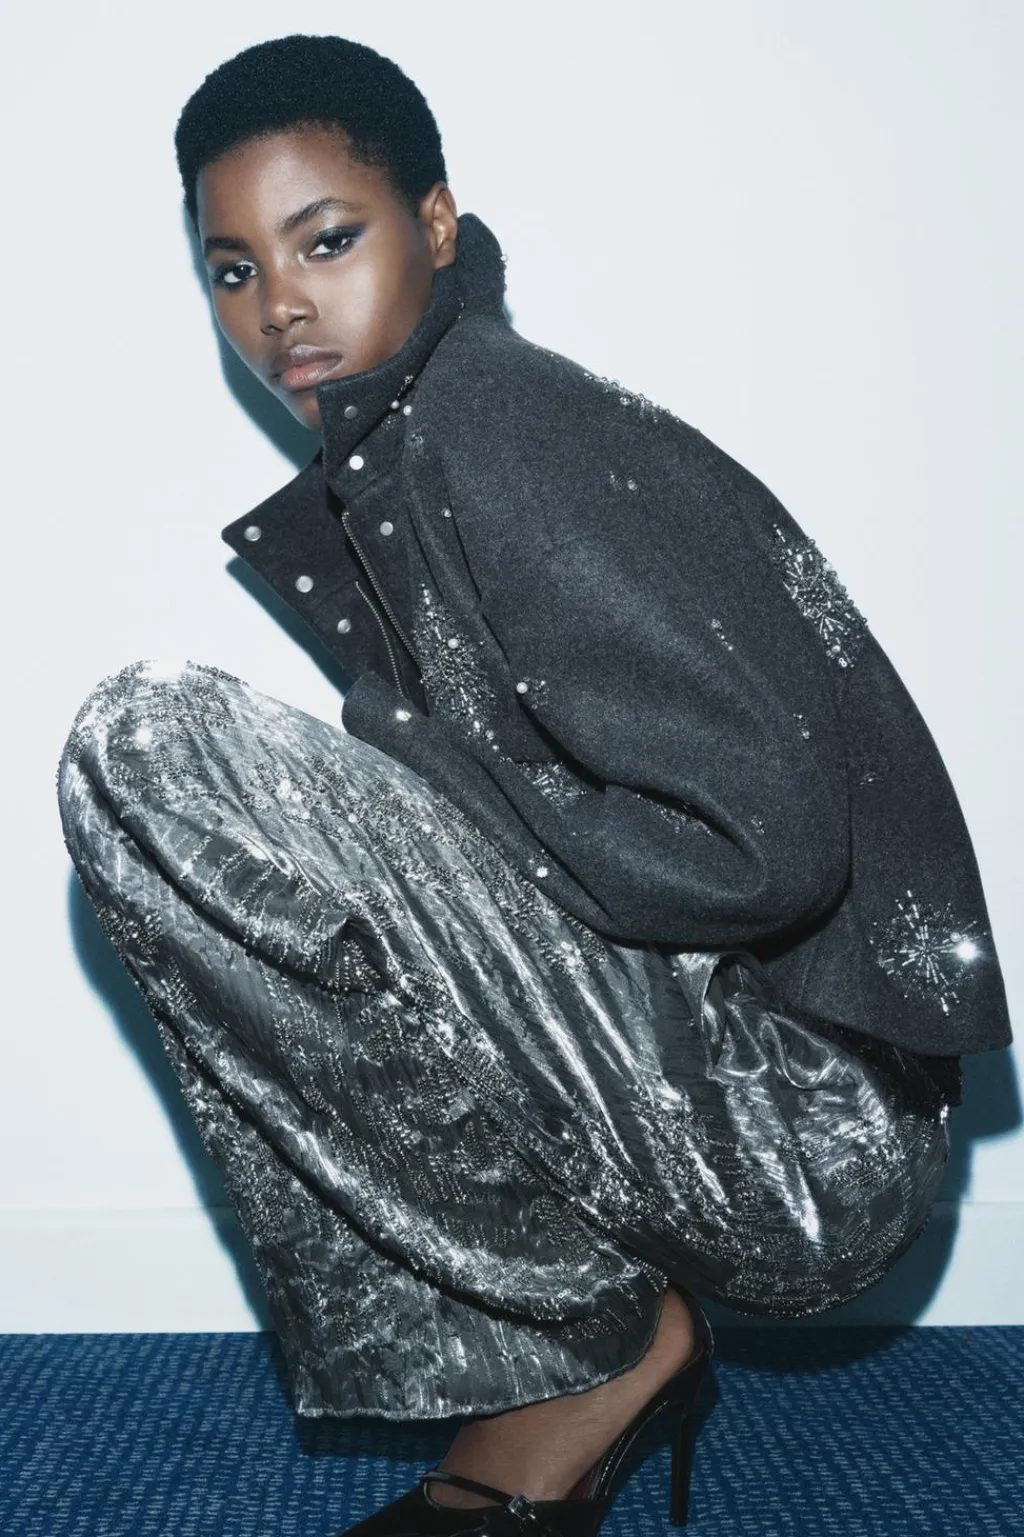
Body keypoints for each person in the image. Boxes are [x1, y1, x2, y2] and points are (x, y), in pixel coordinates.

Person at [56, 33, 1012, 1537]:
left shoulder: (499, 424)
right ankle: (572, 1354)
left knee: (150, 744)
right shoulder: (418, 448)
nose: (280, 304)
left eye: (326, 240)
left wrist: (433, 772)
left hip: (805, 1133)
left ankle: (590, 1356)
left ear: (436, 226)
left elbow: (764, 846)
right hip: (747, 1109)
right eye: (233, 270)